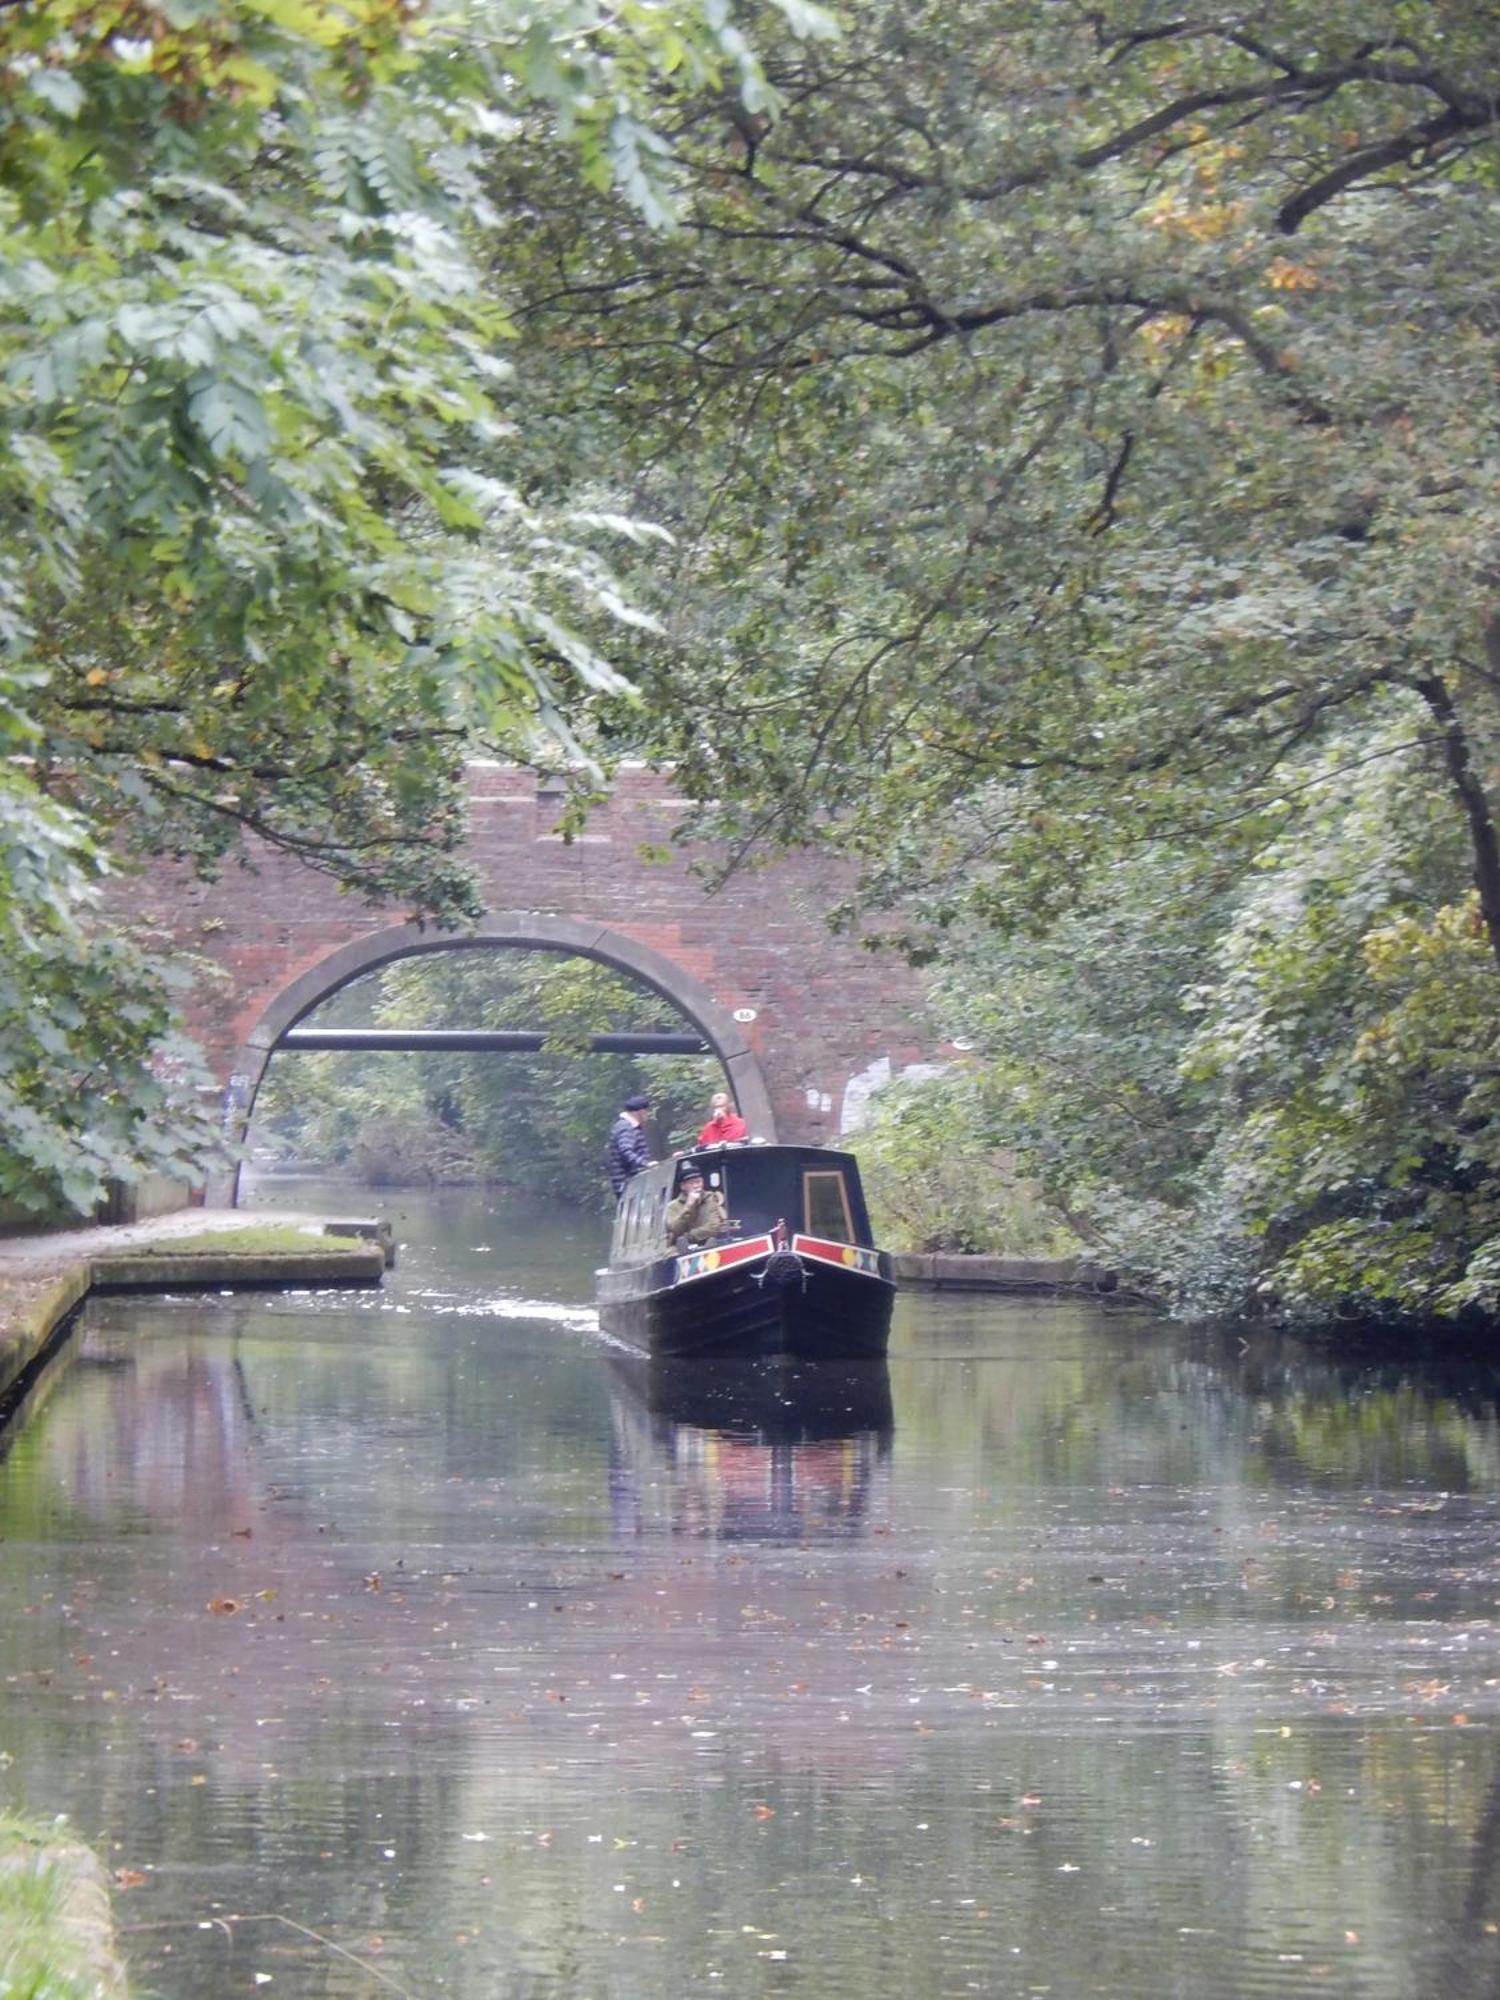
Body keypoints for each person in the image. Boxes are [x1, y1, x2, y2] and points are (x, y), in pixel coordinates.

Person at [664, 1163, 728, 1248]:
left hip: (708, 1243)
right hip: (681, 1248)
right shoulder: (672, 1206)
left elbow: (713, 1227)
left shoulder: (711, 1199)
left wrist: (689, 1236)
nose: (696, 1186)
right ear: (683, 1186)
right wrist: (688, 1206)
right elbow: (675, 1230)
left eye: (698, 1182)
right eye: (691, 1183)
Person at [607, 1093, 654, 1197]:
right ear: (641, 1112)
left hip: (631, 1183)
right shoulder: (626, 1127)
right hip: (628, 1184)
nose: (647, 1115)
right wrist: (645, 1164)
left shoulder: (626, 1125)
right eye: (646, 1111)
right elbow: (625, 1151)